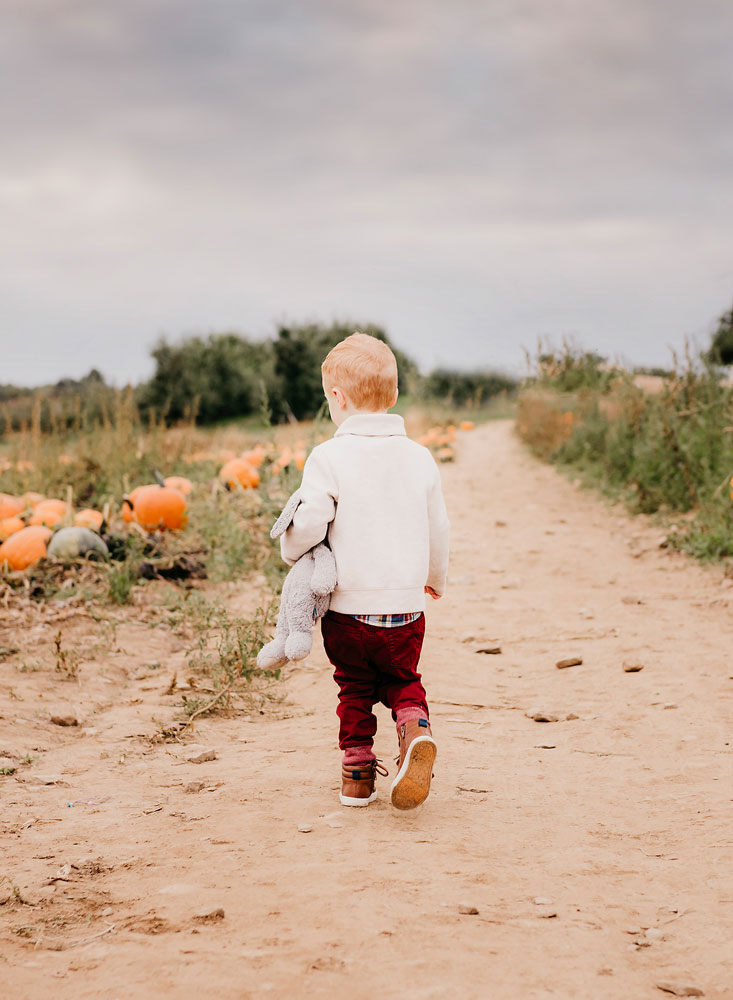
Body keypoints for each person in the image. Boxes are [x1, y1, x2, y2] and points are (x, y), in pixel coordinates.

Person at [280, 332, 450, 809]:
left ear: (337, 398)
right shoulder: (420, 457)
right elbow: (439, 526)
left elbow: (309, 521)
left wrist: (292, 551)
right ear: (393, 396)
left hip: (348, 614)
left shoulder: (327, 457)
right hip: (404, 611)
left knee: (353, 688)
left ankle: (356, 778)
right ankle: (415, 729)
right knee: (402, 680)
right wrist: (435, 578)